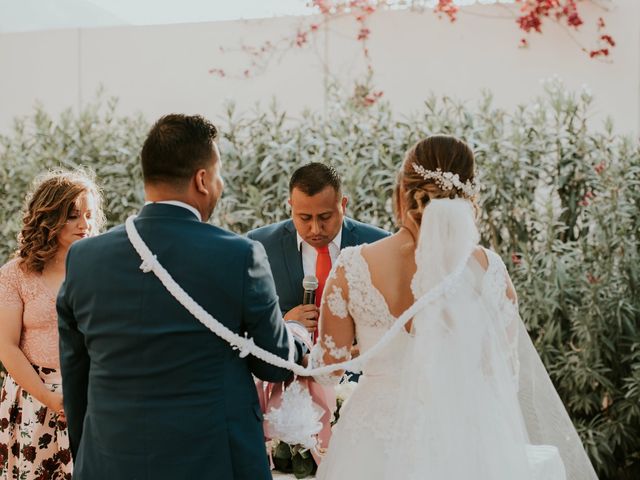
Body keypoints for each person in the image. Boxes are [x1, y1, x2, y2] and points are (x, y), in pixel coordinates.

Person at [310, 135, 598, 480]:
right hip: (465, 439)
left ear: (402, 191)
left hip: (372, 441)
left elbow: (328, 371)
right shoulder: (488, 270)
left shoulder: (352, 266)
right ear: (469, 196)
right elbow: (503, 376)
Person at [57, 114, 307, 480]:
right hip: (212, 461)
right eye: (218, 173)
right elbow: (273, 362)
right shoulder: (240, 255)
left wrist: (90, 456)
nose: (220, 184)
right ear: (202, 180)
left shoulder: (84, 258)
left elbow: (76, 376)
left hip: (111, 459)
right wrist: (297, 336)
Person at [0, 169, 104, 480]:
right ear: (49, 217)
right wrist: (51, 399)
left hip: (91, 398)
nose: (84, 225)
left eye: (89, 215)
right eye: (73, 216)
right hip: (32, 400)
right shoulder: (14, 274)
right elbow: (6, 346)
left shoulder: (100, 270)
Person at [247, 162, 389, 337]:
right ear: (291, 207)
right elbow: (244, 320)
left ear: (343, 205)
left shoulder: (379, 244)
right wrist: (282, 323)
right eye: (305, 217)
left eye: (325, 217)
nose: (315, 229)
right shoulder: (259, 245)